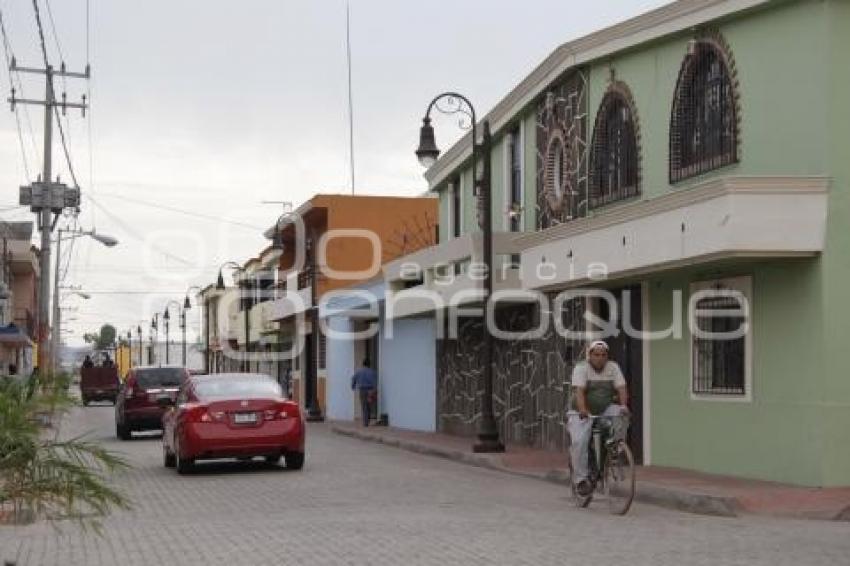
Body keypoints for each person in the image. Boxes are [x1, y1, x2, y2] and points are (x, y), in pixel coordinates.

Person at [567, 340, 630, 497]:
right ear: (590, 355)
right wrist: (583, 410)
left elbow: (621, 388)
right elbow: (579, 392)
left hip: (604, 409)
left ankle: (616, 447)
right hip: (581, 411)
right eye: (596, 355)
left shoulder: (613, 367)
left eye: (603, 355)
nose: (600, 358)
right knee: (580, 441)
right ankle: (581, 480)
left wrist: (623, 405)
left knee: (621, 414)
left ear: (607, 356)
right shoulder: (582, 368)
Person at [350, 359, 378, 427]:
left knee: (364, 406)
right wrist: (374, 390)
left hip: (362, 390)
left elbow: (353, 379)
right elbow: (374, 382)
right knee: (369, 405)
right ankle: (367, 420)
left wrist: (353, 386)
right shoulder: (372, 372)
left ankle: (366, 423)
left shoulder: (359, 371)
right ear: (369, 364)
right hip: (370, 390)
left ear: (363, 364)